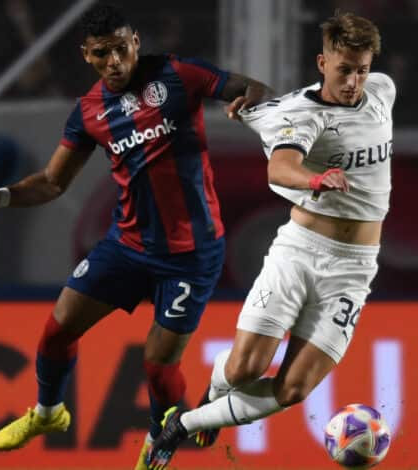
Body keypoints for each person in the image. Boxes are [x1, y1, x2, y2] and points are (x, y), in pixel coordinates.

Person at [0, 3, 272, 469]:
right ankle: (48, 412)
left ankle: (159, 438)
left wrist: (254, 102)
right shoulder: (89, 112)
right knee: (57, 330)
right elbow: (52, 182)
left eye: (122, 49)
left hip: (192, 255)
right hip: (126, 246)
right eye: (103, 54)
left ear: (136, 42)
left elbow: (251, 87)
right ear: (87, 55)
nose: (115, 62)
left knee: (159, 366)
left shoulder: (179, 74)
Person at [146, 10, 395, 469]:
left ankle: (184, 423)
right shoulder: (303, 116)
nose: (354, 81)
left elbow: (265, 114)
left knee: (294, 389)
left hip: (356, 266)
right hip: (300, 252)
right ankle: (217, 391)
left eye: (361, 69)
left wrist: (251, 112)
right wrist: (317, 179)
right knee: (245, 369)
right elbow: (280, 166)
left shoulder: (382, 91)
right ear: (322, 62)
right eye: (344, 70)